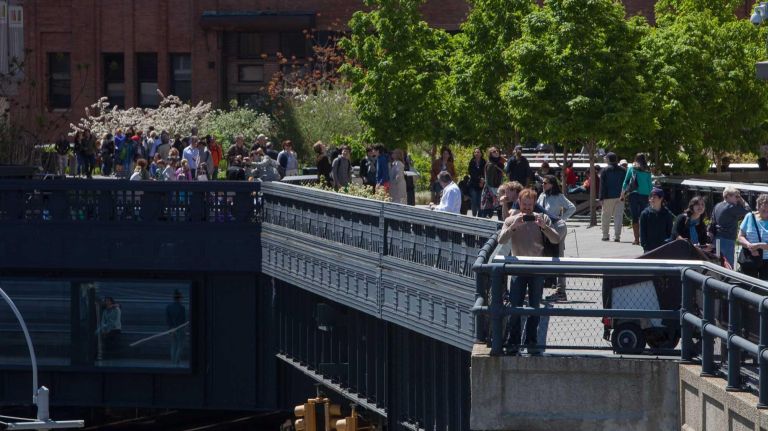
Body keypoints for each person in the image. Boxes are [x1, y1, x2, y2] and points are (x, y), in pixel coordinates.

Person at [497, 188, 560, 355]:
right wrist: (514, 227)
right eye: (524, 205)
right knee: (515, 307)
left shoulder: (543, 218)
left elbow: (556, 239)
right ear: (519, 202)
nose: (526, 208)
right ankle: (513, 342)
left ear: (534, 204)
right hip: (518, 268)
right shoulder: (512, 219)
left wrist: (544, 227)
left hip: (537, 268)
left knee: (534, 307)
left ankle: (531, 342)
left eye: (530, 205)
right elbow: (500, 240)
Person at [538, 175, 575, 301]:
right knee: (541, 254)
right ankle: (539, 285)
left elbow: (571, 207)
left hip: (556, 228)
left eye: (545, 183)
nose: (542, 185)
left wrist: (561, 219)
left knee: (559, 256)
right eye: (542, 183)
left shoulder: (558, 196)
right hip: (543, 227)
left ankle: (561, 290)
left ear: (552, 184)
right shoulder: (542, 196)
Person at [710, 187, 751, 266]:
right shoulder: (730, 207)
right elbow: (748, 211)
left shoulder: (717, 206)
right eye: (736, 196)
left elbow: (712, 221)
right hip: (727, 240)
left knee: (717, 263)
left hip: (716, 239)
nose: (737, 199)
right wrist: (742, 200)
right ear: (728, 196)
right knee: (728, 265)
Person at [621, 153, 653, 245]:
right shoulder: (647, 170)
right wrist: (651, 196)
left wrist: (623, 193)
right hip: (645, 194)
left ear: (636, 159)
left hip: (633, 194)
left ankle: (636, 239)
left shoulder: (632, 168)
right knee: (644, 216)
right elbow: (650, 184)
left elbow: (626, 181)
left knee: (635, 216)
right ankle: (644, 238)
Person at [737, 194, 768, 279]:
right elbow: (740, 237)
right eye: (764, 210)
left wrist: (758, 246)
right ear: (758, 207)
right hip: (750, 258)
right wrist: (749, 246)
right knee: (748, 286)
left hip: (766, 261)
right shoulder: (749, 216)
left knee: (764, 289)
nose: (766, 212)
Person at [599, 152, 627, 242]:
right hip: (620, 196)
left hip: (608, 196)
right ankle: (617, 236)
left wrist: (601, 198)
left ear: (608, 159)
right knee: (618, 216)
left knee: (606, 216)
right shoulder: (623, 170)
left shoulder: (604, 170)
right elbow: (626, 183)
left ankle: (605, 235)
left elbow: (602, 185)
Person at [639, 188, 674, 253]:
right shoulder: (645, 214)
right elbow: (642, 232)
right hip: (649, 249)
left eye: (654, 197)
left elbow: (670, 231)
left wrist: (667, 243)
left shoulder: (667, 214)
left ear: (661, 199)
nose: (652, 198)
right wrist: (645, 246)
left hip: (663, 248)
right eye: (651, 196)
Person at [481, 147, 505, 218]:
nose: (497, 152)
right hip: (490, 191)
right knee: (487, 213)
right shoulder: (491, 164)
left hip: (497, 189)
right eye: (494, 151)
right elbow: (489, 181)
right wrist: (494, 194)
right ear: (490, 154)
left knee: (500, 211)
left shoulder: (499, 163)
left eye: (497, 151)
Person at [166, 290, 187, 365]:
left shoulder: (168, 307)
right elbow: (183, 319)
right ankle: (176, 362)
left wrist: (170, 328)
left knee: (173, 345)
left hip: (171, 329)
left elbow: (168, 319)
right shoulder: (182, 307)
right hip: (180, 328)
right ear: (179, 298)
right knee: (180, 345)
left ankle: (173, 362)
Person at [468, 147, 486, 217]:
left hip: (482, 185)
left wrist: (482, 180)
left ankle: (480, 216)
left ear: (481, 154)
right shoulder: (472, 162)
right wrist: (479, 180)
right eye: (475, 152)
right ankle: (474, 215)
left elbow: (485, 173)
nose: (476, 153)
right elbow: (471, 173)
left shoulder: (484, 162)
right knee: (474, 200)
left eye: (478, 152)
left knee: (480, 201)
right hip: (473, 184)